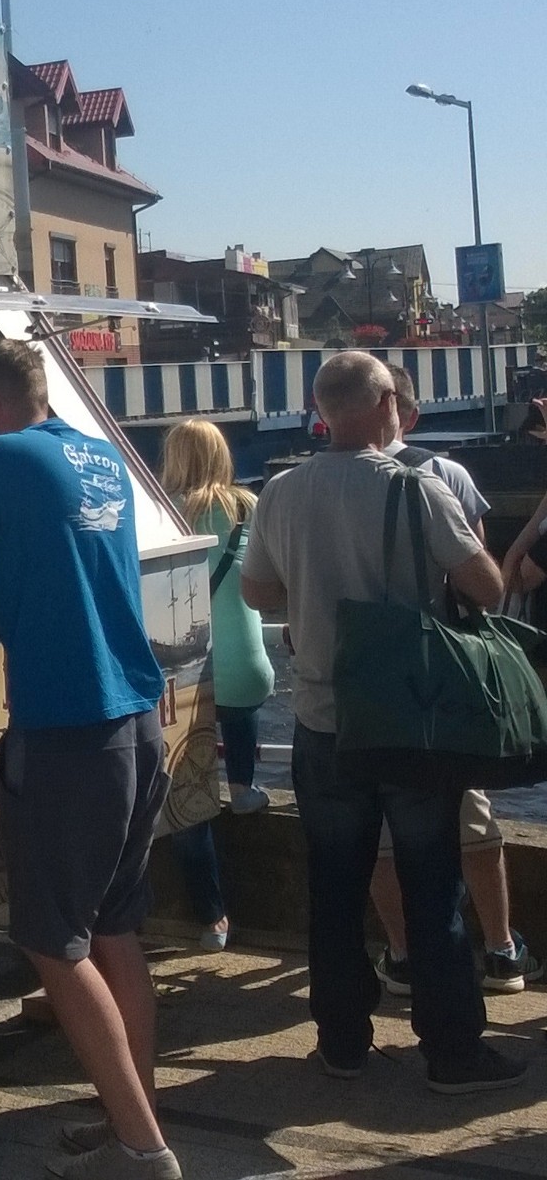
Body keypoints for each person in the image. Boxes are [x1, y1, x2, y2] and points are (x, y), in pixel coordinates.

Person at [0, 340, 180, 1180]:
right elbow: (58, 555)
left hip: (67, 730)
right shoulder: (97, 457)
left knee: (55, 943)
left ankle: (142, 1149)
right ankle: (132, 1115)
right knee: (115, 929)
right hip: (137, 717)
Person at [239, 351, 523, 1094]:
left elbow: (259, 592)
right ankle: (452, 1052)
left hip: (321, 721)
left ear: (320, 410)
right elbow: (486, 588)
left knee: (334, 889)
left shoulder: (280, 490)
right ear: (387, 405)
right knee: (433, 887)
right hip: (409, 723)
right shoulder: (416, 486)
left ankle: (342, 1043)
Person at [370, 365, 539, 995]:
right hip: (444, 674)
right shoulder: (446, 474)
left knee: (382, 829)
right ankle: (500, 951)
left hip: (362, 680)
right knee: (471, 813)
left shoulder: (305, 482)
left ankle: (404, 956)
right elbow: (481, 580)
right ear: (408, 413)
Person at [157, 420, 276, 951]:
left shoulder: (163, 514)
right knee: (241, 703)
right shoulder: (247, 507)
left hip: (187, 675)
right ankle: (245, 785)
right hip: (246, 667)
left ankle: (213, 920)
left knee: (188, 798)